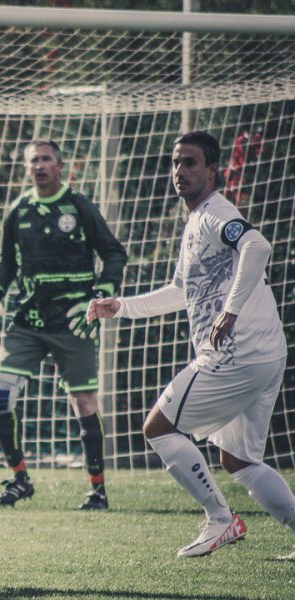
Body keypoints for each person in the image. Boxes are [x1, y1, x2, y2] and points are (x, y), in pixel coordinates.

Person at [90, 131, 294, 559]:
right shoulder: (195, 220)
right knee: (238, 460)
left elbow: (257, 245)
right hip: (266, 353)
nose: (179, 171)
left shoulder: (215, 213)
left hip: (236, 353)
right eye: (175, 162)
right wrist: (121, 307)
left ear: (212, 170)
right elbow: (181, 291)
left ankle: (221, 519)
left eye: (190, 163)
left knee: (158, 428)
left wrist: (231, 311)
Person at [0, 139, 127, 510]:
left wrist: (102, 294)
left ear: (61, 165)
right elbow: (5, 263)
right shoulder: (18, 210)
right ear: (26, 168)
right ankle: (20, 480)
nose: (40, 165)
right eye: (34, 161)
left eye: (46, 159)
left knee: (83, 401)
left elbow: (113, 253)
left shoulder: (78, 206)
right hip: (28, 320)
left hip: (73, 321)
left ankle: (97, 489)